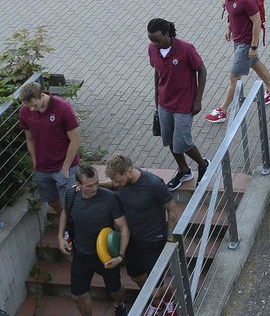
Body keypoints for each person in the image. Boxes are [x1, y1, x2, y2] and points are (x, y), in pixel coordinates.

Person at [207, 0, 270, 124]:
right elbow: (232, 12)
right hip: (238, 38)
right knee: (255, 63)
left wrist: (253, 46)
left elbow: (257, 22)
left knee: (234, 76)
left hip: (246, 43)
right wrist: (229, 27)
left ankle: (223, 110)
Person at [146, 18, 210, 190]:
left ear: (167, 34)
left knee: (182, 141)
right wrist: (156, 96)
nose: (154, 43)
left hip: (184, 104)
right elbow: (157, 72)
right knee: (170, 140)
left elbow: (202, 70)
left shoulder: (185, 49)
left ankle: (203, 164)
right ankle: (184, 170)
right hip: (165, 103)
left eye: (157, 39)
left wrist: (198, 99)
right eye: (151, 39)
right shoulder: (153, 49)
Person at [58, 165, 130, 316]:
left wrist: (120, 256)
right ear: (78, 185)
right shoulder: (71, 194)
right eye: (89, 185)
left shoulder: (110, 198)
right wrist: (60, 236)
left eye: (97, 182)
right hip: (82, 254)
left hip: (106, 255)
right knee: (77, 295)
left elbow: (124, 227)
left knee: (115, 291)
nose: (95, 188)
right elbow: (65, 213)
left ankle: (119, 304)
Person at [104, 153, 177, 289]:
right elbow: (113, 185)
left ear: (129, 172)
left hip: (153, 240)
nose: (115, 184)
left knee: (157, 285)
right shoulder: (123, 181)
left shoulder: (154, 184)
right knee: (136, 276)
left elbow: (172, 209)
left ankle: (168, 300)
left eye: (118, 180)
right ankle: (154, 302)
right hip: (132, 239)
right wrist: (96, 184)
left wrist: (171, 237)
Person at [18, 81, 80, 218]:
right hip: (42, 168)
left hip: (64, 166)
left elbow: (75, 139)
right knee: (52, 201)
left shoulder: (62, 107)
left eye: (34, 105)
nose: (32, 110)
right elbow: (30, 139)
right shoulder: (24, 111)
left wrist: (66, 166)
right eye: (28, 106)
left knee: (71, 202)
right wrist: (35, 162)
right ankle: (67, 224)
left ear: (41, 95)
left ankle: (74, 229)